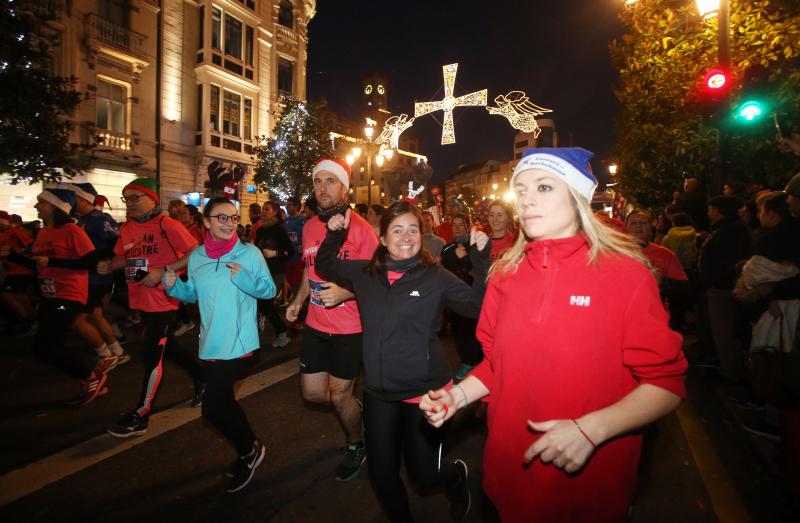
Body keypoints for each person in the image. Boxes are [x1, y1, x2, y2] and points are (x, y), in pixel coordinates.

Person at [421, 147, 687, 523]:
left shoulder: (625, 274)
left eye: (544, 187)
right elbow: (498, 365)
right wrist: (457, 397)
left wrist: (591, 430)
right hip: (509, 471)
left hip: (587, 484)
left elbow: (666, 383)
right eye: (522, 190)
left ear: (578, 198)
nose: (527, 198)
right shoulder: (505, 275)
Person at [316, 201, 489, 522]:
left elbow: (477, 305)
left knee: (423, 476)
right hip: (380, 392)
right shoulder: (365, 274)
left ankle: (455, 477)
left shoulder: (434, 276)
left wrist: (480, 260)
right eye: (397, 230)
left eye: (413, 229)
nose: (406, 236)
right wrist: (335, 234)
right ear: (382, 237)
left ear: (421, 236)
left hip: (426, 392)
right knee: (382, 477)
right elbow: (325, 265)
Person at [164, 197, 275, 492]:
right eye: (222, 218)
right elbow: (194, 295)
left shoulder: (249, 253)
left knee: (211, 408)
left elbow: (269, 290)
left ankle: (250, 452)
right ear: (207, 222)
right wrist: (175, 285)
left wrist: (247, 279)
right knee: (225, 401)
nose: (229, 223)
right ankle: (251, 447)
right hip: (211, 344)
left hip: (241, 344)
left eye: (233, 218)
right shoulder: (198, 256)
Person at [286, 158, 379, 481]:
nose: (322, 188)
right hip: (315, 325)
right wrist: (297, 302)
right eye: (317, 181)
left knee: (339, 395)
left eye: (330, 181)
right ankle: (356, 410)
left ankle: (356, 443)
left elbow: (379, 283)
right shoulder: (310, 226)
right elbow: (308, 273)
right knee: (313, 394)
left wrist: (347, 293)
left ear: (344, 188)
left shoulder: (363, 231)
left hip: (350, 329)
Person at [99, 178, 205, 437]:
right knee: (167, 345)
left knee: (152, 355)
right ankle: (202, 376)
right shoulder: (127, 228)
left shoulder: (167, 225)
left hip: (164, 299)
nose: (130, 203)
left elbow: (196, 252)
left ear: (152, 199)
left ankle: (141, 414)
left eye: (136, 197)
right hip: (141, 298)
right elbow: (125, 256)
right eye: (127, 198)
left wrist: (165, 270)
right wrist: (109, 266)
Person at [12, 189, 111, 405]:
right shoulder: (44, 233)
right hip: (50, 295)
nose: (37, 206)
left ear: (56, 207)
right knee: (43, 347)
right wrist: (11, 256)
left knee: (48, 345)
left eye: (41, 203)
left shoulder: (72, 231)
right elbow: (39, 265)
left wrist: (53, 262)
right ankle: (91, 376)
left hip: (69, 295)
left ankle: (92, 377)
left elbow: (90, 261)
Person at [67, 183, 129, 364]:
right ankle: (117, 352)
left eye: (72, 197)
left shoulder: (99, 219)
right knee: (95, 315)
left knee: (78, 321)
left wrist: (103, 261)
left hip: (96, 278)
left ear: (81, 199)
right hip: (87, 277)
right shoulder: (82, 220)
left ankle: (107, 354)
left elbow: (116, 242)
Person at [698, 195, 753, 383]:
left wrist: (715, 280)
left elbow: (729, 260)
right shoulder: (727, 229)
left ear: (718, 211)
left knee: (725, 330)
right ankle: (727, 367)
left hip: (723, 288)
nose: (708, 213)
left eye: (710, 209)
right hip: (719, 285)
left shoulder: (731, 231)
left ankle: (731, 372)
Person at [626, 209, 689, 330]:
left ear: (651, 227)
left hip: (656, 320)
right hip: (624, 319)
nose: (638, 226)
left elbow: (683, 289)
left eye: (643, 223)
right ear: (626, 227)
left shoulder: (665, 254)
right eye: (633, 223)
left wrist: (662, 281)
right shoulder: (614, 253)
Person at [441, 213, 483, 380]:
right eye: (454, 225)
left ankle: (478, 365)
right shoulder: (447, 249)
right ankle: (466, 363)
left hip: (471, 298)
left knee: (473, 333)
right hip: (452, 300)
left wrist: (465, 259)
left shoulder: (474, 248)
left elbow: (478, 273)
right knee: (458, 333)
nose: (457, 228)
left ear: (467, 227)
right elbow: (443, 273)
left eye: (460, 225)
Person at [254, 200, 292, 347]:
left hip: (276, 272)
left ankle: (282, 333)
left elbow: (290, 252)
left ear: (275, 212)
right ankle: (281, 332)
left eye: (267, 209)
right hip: (262, 272)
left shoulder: (280, 229)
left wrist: (275, 253)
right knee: (263, 304)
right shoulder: (260, 230)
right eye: (263, 209)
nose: (264, 211)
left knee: (266, 302)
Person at [0, 210, 36, 335]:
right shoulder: (4, 234)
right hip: (12, 271)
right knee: (21, 296)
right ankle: (30, 320)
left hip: (21, 269)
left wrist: (23, 253)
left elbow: (31, 245)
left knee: (6, 294)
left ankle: (26, 319)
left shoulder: (14, 232)